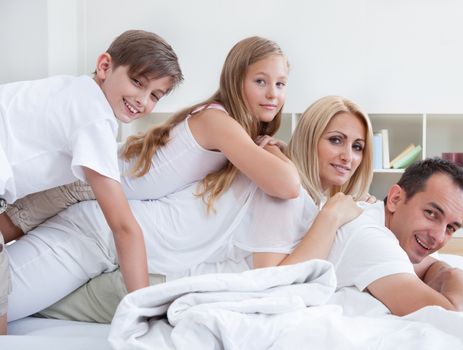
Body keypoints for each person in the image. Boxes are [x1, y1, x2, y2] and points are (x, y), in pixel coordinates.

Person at [4, 95, 373, 323]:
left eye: (358, 147)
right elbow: (272, 282)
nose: (347, 156)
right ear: (310, 138)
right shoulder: (284, 192)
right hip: (99, 238)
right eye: (336, 140)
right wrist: (332, 217)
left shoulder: (288, 182)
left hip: (130, 257)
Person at [0, 35, 300, 240]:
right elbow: (286, 185)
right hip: (87, 180)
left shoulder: (231, 125)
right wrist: (271, 152)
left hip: (100, 177)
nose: (273, 93)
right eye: (261, 81)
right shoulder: (219, 122)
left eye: (281, 83)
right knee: (13, 224)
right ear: (236, 80)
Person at [0, 29, 183, 333]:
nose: (142, 100)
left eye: (155, 95)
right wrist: (142, 314)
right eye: (137, 82)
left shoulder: (72, 91)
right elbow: (124, 228)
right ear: (104, 66)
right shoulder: (94, 117)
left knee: (81, 183)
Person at [327, 157, 463, 318]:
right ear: (395, 199)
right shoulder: (371, 239)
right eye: (431, 213)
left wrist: (448, 274)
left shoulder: (385, 222)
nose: (438, 237)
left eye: (450, 228)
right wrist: (461, 277)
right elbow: (455, 318)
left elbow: (430, 266)